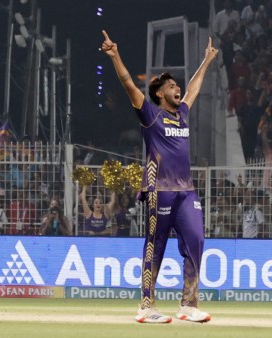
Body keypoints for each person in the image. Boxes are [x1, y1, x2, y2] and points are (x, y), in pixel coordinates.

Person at [101, 30, 217, 323]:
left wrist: (206, 61)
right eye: (172, 86)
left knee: (196, 240)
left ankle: (188, 305)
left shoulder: (183, 114)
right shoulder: (150, 114)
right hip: (159, 189)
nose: (178, 89)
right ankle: (145, 306)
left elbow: (194, 89)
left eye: (177, 85)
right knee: (156, 245)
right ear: (159, 94)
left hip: (186, 191)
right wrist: (115, 56)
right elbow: (128, 83)